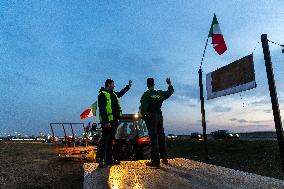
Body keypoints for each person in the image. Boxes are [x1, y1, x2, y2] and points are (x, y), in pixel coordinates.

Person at [140, 78, 174, 167]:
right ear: (154, 84)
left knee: (153, 138)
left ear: (147, 85)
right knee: (161, 136)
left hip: (151, 117)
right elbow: (170, 92)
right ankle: (164, 158)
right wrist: (169, 84)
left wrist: (145, 118)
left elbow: (143, 108)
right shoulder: (159, 93)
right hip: (159, 116)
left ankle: (155, 161)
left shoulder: (146, 94)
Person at [98, 79, 132, 168]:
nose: (114, 86)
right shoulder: (102, 94)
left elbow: (120, 93)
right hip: (107, 122)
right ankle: (102, 160)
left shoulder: (114, 94)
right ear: (109, 84)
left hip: (114, 121)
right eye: (113, 84)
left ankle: (109, 159)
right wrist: (106, 122)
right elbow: (102, 109)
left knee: (110, 141)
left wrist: (128, 87)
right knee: (104, 141)